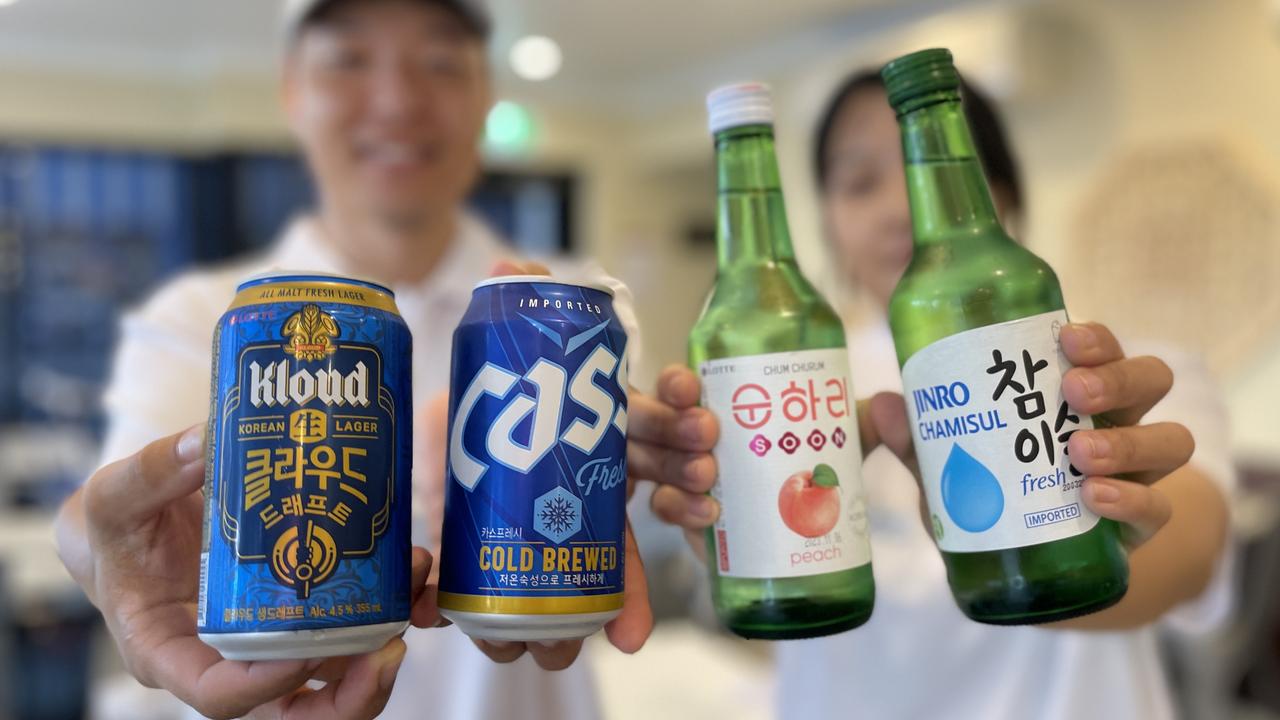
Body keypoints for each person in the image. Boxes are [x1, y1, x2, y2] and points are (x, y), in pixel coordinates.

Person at [52, 1, 720, 718]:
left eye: (438, 63)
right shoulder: (194, 313)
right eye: (349, 59)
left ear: (484, 96)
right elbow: (109, 506)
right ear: (291, 90)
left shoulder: (567, 298)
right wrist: (95, 543)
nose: (399, 100)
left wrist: (669, 478)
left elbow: (651, 526)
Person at [762, 70, 1230, 718]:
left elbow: (1192, 552)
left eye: (927, 169)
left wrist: (1108, 526)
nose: (902, 206)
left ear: (998, 191)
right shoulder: (789, 396)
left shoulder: (1107, 369)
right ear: (829, 223)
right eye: (860, 181)